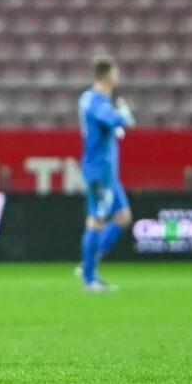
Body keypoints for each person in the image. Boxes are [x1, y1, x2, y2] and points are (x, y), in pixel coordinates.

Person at [77, 55, 135, 292]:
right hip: (100, 170)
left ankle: (89, 264)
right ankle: (90, 277)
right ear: (108, 74)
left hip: (106, 171)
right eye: (115, 71)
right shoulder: (98, 102)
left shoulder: (87, 98)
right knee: (97, 220)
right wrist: (124, 115)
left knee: (122, 217)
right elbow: (112, 119)